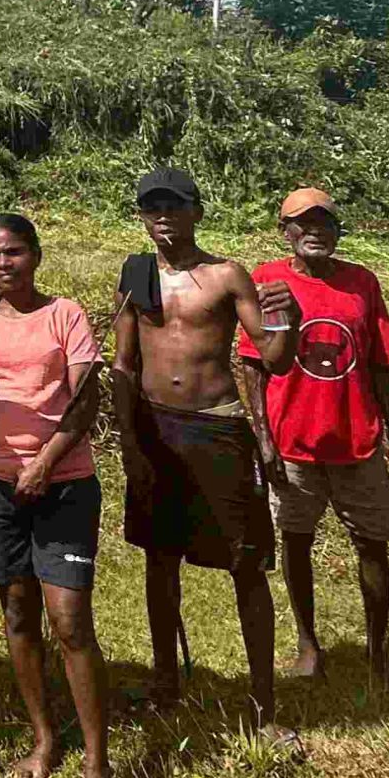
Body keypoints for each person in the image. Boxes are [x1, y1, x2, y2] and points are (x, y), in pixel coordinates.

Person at [111, 167, 299, 735]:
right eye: (152, 208)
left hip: (216, 430)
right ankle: (165, 682)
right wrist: (129, 442)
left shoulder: (226, 276)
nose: (162, 217)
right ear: (143, 217)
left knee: (245, 563)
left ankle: (263, 706)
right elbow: (123, 364)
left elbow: (274, 357)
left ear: (196, 212)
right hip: (155, 430)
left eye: (173, 206)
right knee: (159, 558)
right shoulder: (136, 273)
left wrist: (284, 318)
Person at [0, 213, 114, 778]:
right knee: (17, 610)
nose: (3, 264)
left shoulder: (64, 315)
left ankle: (97, 761)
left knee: (69, 621)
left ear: (35, 256)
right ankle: (44, 739)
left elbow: (84, 402)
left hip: (62, 482)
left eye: (13, 253)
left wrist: (45, 463)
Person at [241, 188, 389, 685]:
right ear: (286, 232)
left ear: (338, 231)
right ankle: (308, 643)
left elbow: (383, 367)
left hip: (357, 439)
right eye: (303, 223)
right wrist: (264, 439)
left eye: (325, 223)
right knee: (296, 540)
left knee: (373, 544)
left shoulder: (362, 284)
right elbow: (254, 365)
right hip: (293, 439)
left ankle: (378, 651)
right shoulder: (269, 281)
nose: (315, 231)